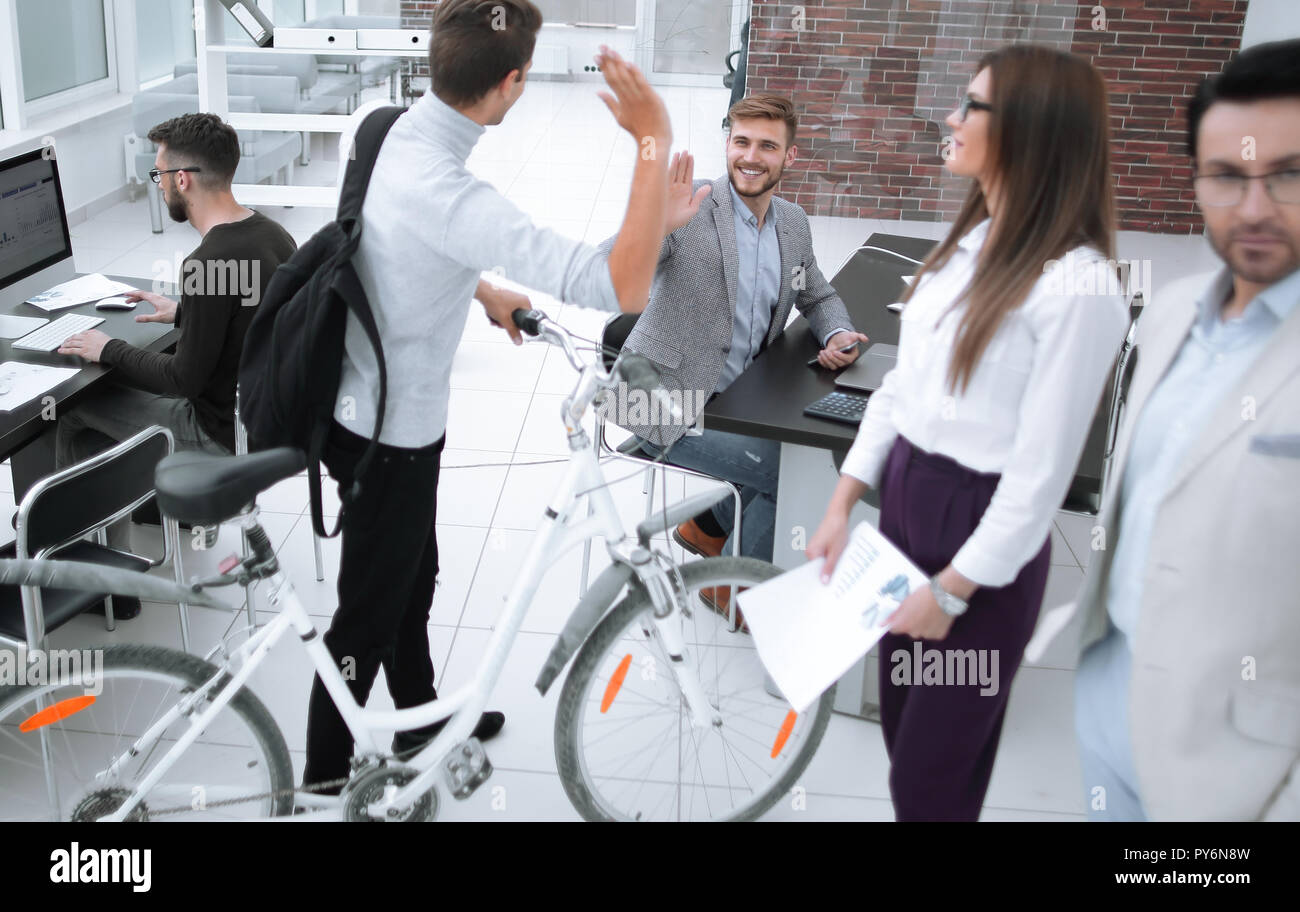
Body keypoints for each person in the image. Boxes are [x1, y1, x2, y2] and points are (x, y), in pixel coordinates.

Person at [303, 0, 672, 790]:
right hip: (388, 435)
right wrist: (653, 140)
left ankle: (418, 715)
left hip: (359, 406)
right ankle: (322, 783)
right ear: (510, 84)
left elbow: (393, 237)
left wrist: (478, 288)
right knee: (367, 613)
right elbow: (621, 283)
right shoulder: (459, 200)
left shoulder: (382, 125)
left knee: (415, 574)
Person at [805, 45, 1129, 821]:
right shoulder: (966, 247)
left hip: (983, 541)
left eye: (970, 106)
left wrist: (952, 592)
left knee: (928, 781)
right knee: (909, 751)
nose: (948, 119)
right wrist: (843, 501)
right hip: (908, 506)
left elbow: (1041, 476)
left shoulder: (1078, 286)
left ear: (1029, 130)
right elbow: (900, 388)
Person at [1068, 39, 1300, 822]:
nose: (1256, 207)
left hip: (1240, 764)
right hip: (1111, 692)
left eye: (1290, 174)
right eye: (1228, 177)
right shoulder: (1168, 316)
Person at [598, 94, 866, 587]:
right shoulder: (691, 206)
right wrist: (656, 224)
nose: (750, 156)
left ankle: (709, 528)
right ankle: (732, 587)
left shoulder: (792, 223)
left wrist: (838, 331)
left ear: (790, 156)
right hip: (661, 402)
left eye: (767, 146)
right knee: (791, 472)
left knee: (801, 455)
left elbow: (815, 292)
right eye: (741, 141)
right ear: (727, 144)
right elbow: (609, 268)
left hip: (740, 400)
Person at [54, 113, 296, 612]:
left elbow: (183, 381)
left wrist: (108, 348)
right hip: (271, 425)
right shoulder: (271, 235)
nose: (160, 185)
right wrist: (186, 310)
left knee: (77, 410)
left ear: (181, 179)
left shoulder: (206, 264)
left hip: (219, 437)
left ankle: (98, 584)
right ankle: (148, 507)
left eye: (159, 174)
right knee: (118, 397)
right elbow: (248, 308)